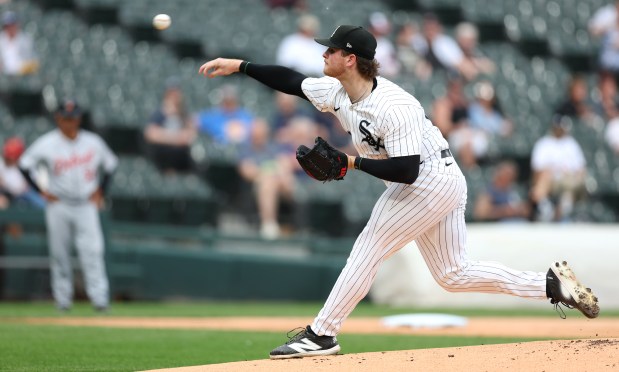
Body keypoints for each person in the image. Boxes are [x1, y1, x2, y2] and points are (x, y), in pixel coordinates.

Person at [198, 25, 599, 359]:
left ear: (350, 59)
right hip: (440, 179)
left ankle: (322, 334)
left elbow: (407, 170)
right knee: (452, 274)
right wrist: (240, 65)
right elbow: (291, 81)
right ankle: (552, 285)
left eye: (331, 49)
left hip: (428, 181)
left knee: (368, 246)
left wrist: (350, 163)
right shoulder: (338, 92)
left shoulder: (395, 105)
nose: (324, 53)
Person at [18, 100, 118, 312]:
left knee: (93, 252)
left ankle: (100, 300)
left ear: (79, 118)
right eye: (66, 118)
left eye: (74, 118)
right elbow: (24, 165)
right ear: (58, 118)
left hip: (86, 204)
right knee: (59, 253)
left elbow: (111, 164)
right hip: (59, 204)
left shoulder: (93, 142)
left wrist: (102, 190)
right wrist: (40, 191)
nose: (70, 122)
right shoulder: (47, 143)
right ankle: (63, 301)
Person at [237, 119, 297, 239]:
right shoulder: (246, 149)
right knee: (268, 182)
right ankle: (269, 224)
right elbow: (246, 171)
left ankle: (296, 223)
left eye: (261, 134)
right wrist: (267, 173)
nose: (258, 137)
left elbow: (285, 163)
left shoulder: (273, 147)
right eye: (256, 134)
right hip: (258, 184)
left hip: (281, 183)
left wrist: (277, 172)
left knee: (283, 178)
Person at [530, 115, 587, 222]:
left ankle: (563, 211)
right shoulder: (544, 143)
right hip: (550, 180)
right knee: (544, 176)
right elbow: (537, 169)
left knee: (572, 180)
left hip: (567, 179)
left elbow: (581, 168)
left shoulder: (571, 144)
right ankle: (545, 209)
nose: (560, 130)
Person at [143, 78, 196, 173]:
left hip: (181, 157)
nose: (175, 96)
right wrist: (176, 138)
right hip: (163, 156)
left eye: (176, 92)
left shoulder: (183, 114)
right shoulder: (159, 113)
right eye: (172, 93)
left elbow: (191, 134)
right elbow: (151, 133)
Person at [0, 137, 45, 209]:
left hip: (26, 193)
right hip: (8, 193)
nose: (10, 159)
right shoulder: (2, 164)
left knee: (42, 204)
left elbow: (34, 183)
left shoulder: (25, 164)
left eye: (12, 157)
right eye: (8, 157)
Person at [0, 11, 39, 76]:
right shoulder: (1, 39)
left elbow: (33, 61)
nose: (10, 28)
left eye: (12, 25)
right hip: (4, 75)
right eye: (7, 26)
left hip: (22, 75)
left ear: (17, 25)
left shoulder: (25, 39)